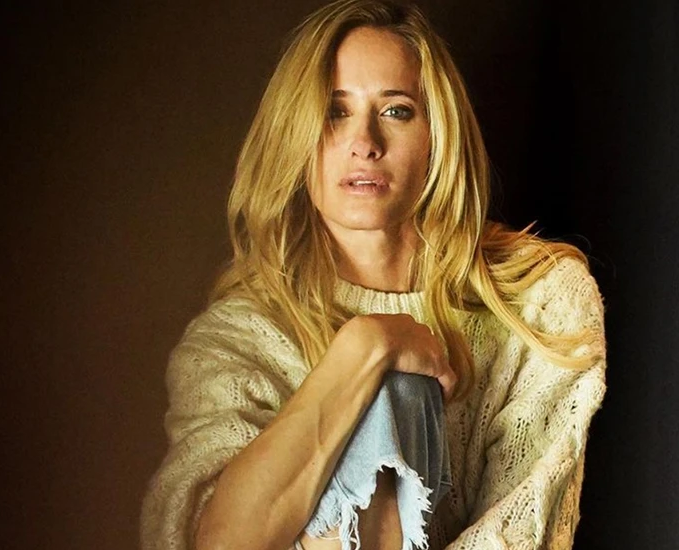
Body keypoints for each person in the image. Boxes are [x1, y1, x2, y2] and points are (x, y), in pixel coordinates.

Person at [141, 1, 607, 549]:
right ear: (295, 135)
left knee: (400, 394)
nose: (365, 142)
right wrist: (365, 347)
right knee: (383, 387)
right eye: (335, 112)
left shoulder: (541, 304)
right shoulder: (235, 338)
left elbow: (523, 531)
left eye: (396, 110)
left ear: (438, 135)